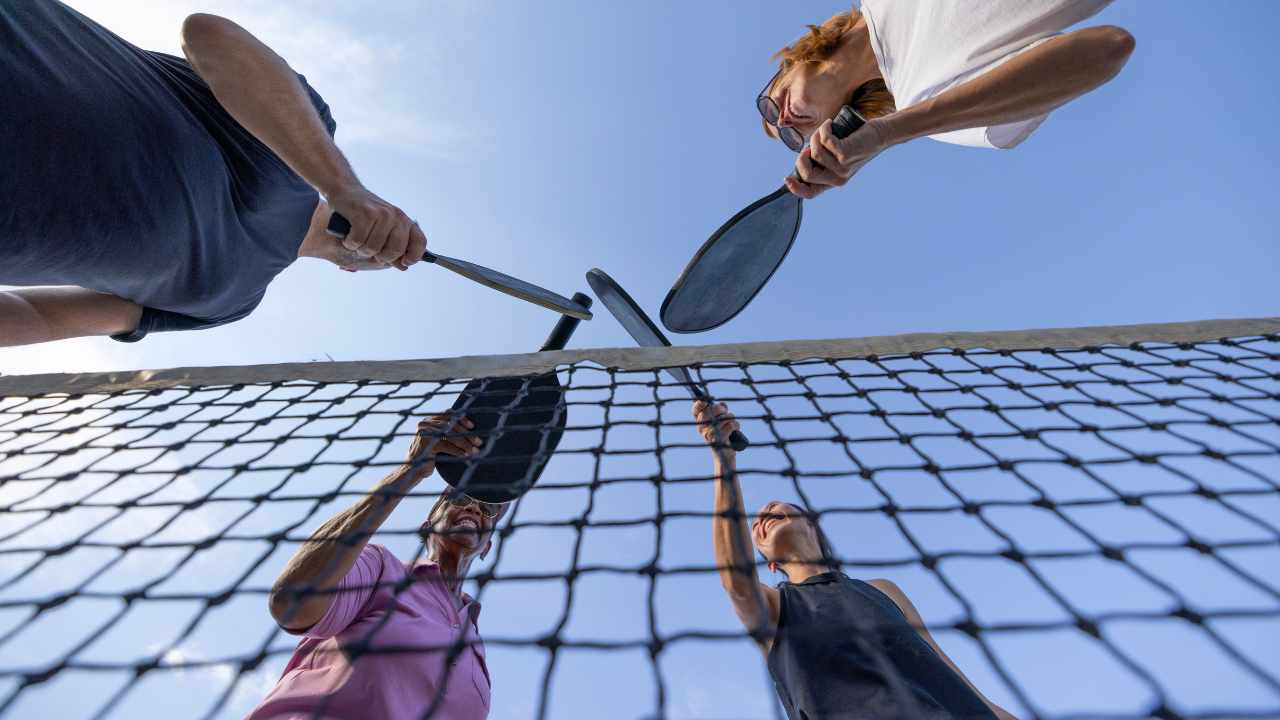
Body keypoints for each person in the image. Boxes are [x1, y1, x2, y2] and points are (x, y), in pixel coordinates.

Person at [1, 1, 425, 347]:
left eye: (394, 257)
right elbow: (208, 34)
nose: (389, 245)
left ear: (352, 271)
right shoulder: (305, 134)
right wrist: (344, 186)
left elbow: (43, 314)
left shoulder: (231, 304)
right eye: (398, 230)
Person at [692, 400, 1017, 720]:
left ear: (812, 524)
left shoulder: (884, 590)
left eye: (777, 508)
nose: (762, 516)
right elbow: (736, 582)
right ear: (770, 562)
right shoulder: (776, 608)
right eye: (756, 528)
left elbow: (946, 671)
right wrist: (724, 459)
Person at [249, 413, 501, 720]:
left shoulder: (476, 647)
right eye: (459, 497)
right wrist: (410, 472)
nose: (474, 507)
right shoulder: (381, 568)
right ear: (427, 525)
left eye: (489, 508)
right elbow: (292, 603)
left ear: (487, 546)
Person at [758, 1, 1135, 199]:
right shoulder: (925, 105)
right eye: (791, 137)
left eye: (771, 107)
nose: (785, 122)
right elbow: (1106, 49)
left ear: (788, 65)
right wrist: (889, 132)